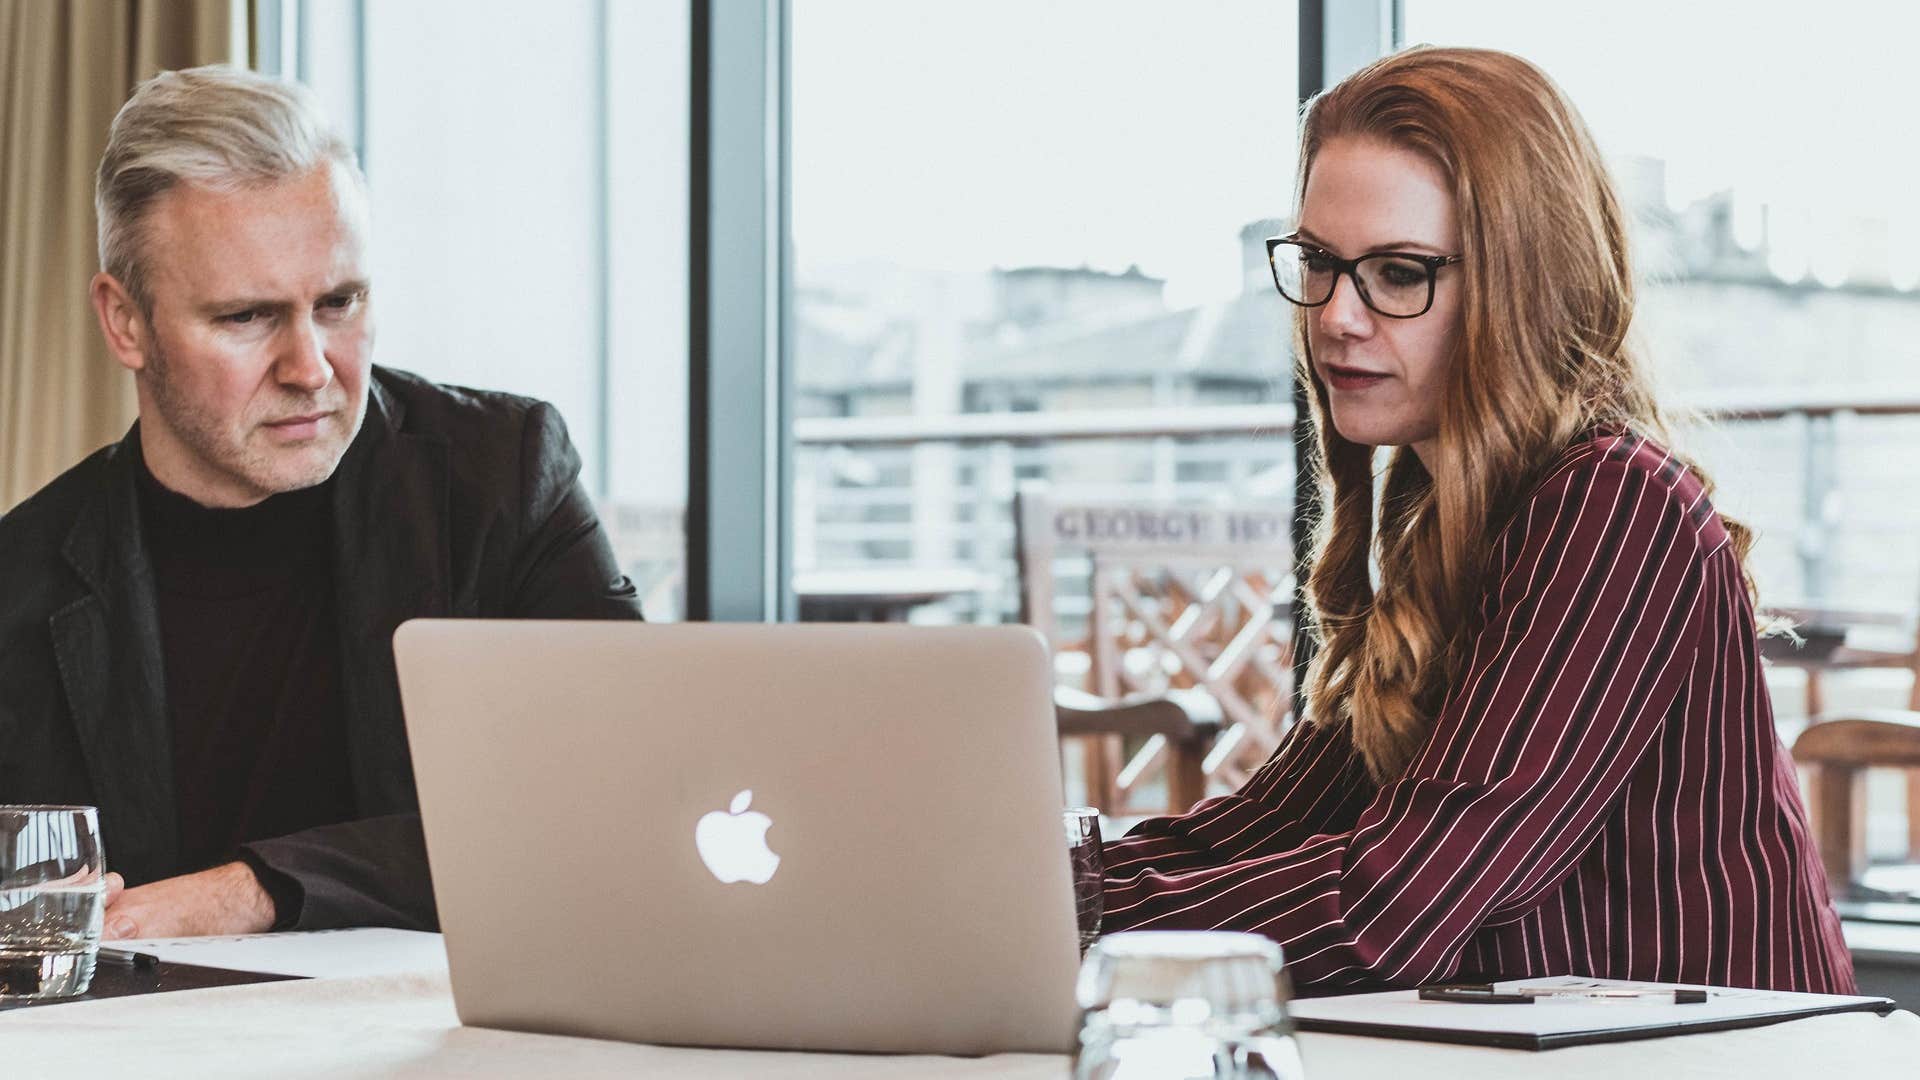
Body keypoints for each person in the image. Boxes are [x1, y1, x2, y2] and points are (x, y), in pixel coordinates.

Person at [1099, 47, 1854, 995]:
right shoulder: (1443, 516)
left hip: (1717, 1055)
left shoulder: (1616, 507)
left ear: (1522, 286)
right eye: (1321, 263)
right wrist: (1043, 881)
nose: (1336, 316)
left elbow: (1392, 910)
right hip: (1551, 1049)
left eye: (1398, 273)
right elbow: (1267, 829)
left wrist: (1063, 921)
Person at [0, 66, 642, 938]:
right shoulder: (19, 580)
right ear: (126, 323)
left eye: (340, 303)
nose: (311, 368)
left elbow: (623, 796)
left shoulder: (504, 480)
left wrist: (257, 892)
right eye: (246, 317)